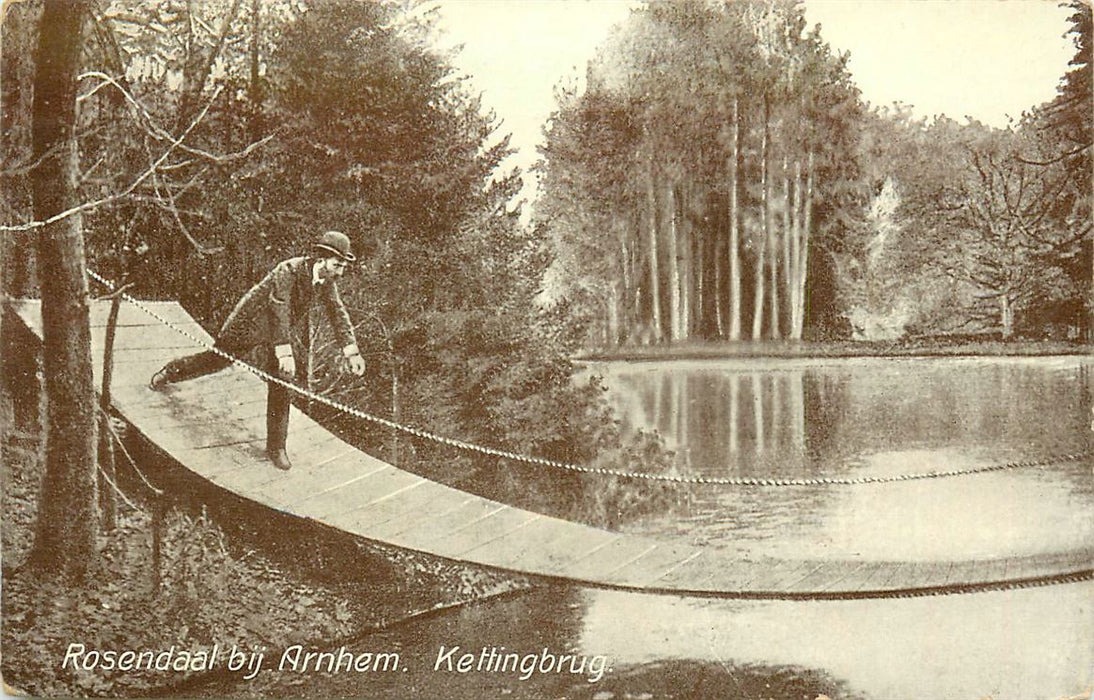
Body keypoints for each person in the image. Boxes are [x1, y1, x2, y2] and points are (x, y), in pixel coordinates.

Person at [150, 230, 367, 471]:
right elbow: (279, 307)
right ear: (321, 259)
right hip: (248, 324)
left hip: (277, 332)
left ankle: (276, 448)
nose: (340, 272)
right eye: (337, 265)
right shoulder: (289, 270)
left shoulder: (326, 281)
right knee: (216, 361)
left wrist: (351, 352)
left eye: (342, 267)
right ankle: (171, 371)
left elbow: (338, 313)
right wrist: (284, 353)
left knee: (283, 381)